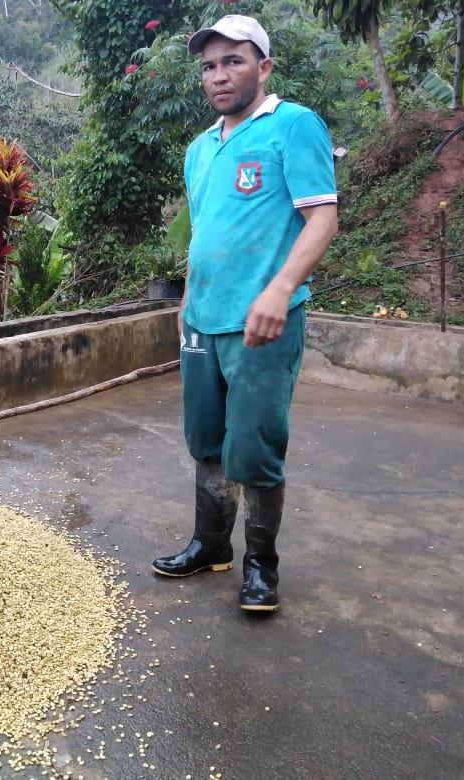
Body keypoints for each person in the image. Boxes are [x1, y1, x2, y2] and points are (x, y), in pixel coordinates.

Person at [151, 15, 339, 612]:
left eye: (233, 61)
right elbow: (205, 233)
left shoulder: (292, 126)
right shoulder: (200, 149)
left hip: (263, 325)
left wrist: (280, 290)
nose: (218, 75)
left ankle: (261, 564)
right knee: (205, 442)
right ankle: (211, 545)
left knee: (253, 447)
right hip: (203, 320)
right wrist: (186, 300)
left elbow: (322, 219)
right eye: (208, 65)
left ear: (264, 66)